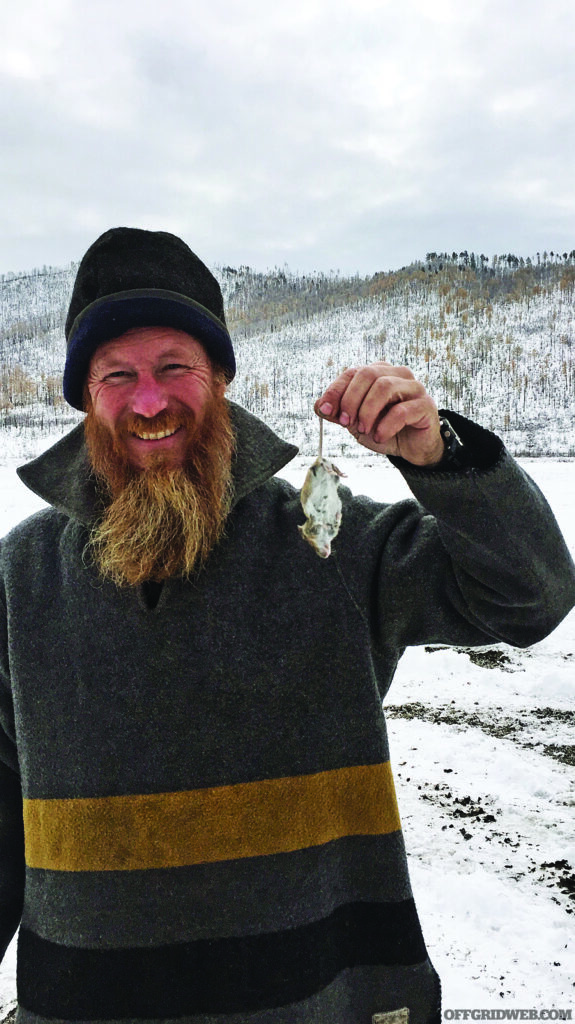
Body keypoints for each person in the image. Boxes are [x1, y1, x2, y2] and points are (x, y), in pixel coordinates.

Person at [0, 227, 573, 1024]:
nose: (149, 400)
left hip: (323, 1000)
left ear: (221, 379)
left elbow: (528, 596)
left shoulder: (326, 541)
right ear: (85, 398)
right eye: (116, 375)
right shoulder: (19, 575)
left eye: (175, 368)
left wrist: (436, 457)